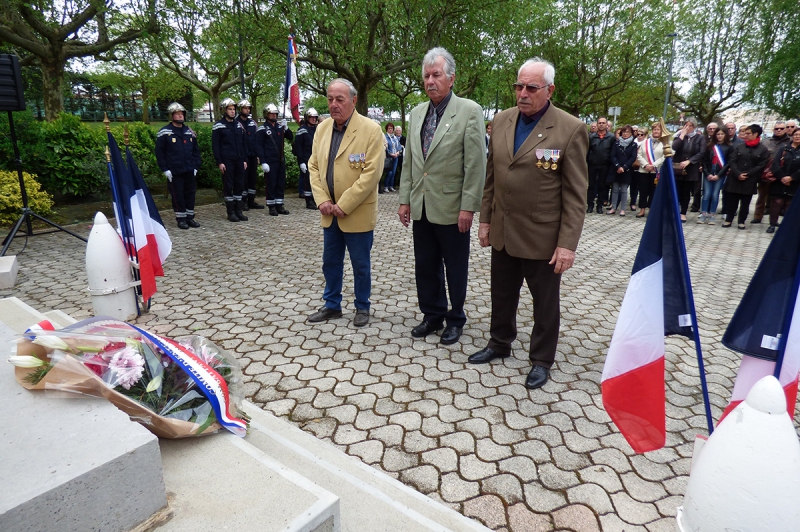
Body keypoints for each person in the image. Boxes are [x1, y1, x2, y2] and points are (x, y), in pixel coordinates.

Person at [468, 58, 588, 390]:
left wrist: (567, 244)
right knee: (502, 294)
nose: (523, 93)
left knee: (544, 304)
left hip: (542, 236)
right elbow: (492, 176)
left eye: (531, 88)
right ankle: (499, 342)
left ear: (549, 90)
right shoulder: (503, 120)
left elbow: (576, 194)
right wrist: (486, 219)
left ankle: (541, 359)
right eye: (518, 86)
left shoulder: (569, 128)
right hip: (504, 230)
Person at [398, 47, 486, 346]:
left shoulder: (469, 111)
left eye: (436, 75)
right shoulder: (416, 112)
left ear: (451, 78)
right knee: (425, 263)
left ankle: (456, 317)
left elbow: (475, 164)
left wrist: (468, 207)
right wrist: (404, 199)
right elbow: (411, 160)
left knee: (455, 265)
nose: (430, 81)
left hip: (451, 207)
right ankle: (432, 314)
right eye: (426, 76)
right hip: (422, 204)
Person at [307, 79, 385, 327]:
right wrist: (322, 200)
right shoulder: (322, 129)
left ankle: (362, 306)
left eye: (339, 99)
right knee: (330, 262)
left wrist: (345, 204)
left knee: (360, 264)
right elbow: (314, 166)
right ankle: (332, 305)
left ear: (353, 100)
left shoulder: (371, 130)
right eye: (330, 99)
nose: (333, 104)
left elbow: (372, 174)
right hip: (329, 212)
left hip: (356, 212)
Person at [156, 102, 202, 229]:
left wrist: (196, 166)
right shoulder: (164, 132)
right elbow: (160, 153)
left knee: (190, 194)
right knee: (178, 195)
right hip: (174, 170)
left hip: (189, 169)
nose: (180, 116)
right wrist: (165, 169)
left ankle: (190, 217)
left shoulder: (189, 131)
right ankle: (181, 219)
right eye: (177, 113)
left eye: (182, 113)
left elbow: (196, 151)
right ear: (171, 115)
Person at [720, 124, 770, 229]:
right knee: (732, 201)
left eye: (748, 133)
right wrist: (738, 173)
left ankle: (741, 221)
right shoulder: (739, 147)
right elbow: (732, 161)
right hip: (735, 178)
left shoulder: (763, 149)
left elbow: (761, 165)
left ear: (756, 134)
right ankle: (728, 220)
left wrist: (748, 174)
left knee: (745, 203)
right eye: (744, 133)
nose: (745, 135)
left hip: (750, 180)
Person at [212, 98, 249, 223]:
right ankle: (231, 212)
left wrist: (244, 159)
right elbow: (216, 146)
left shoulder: (239, 125)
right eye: (230, 109)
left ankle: (239, 211)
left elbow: (243, 144)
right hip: (227, 160)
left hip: (239, 160)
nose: (233, 112)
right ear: (224, 110)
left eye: (234, 109)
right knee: (228, 186)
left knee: (239, 185)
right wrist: (219, 162)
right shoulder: (218, 126)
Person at [256, 103, 294, 216]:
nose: (274, 115)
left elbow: (291, 137)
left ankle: (279, 204)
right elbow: (259, 146)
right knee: (271, 183)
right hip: (269, 160)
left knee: (280, 183)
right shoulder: (262, 129)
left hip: (280, 159)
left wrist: (286, 128)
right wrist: (263, 162)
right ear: (266, 114)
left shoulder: (279, 126)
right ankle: (271, 206)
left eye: (275, 114)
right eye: (271, 113)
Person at [753, 121, 792, 223]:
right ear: (773, 130)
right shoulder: (766, 141)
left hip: (781, 174)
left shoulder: (790, 142)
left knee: (777, 199)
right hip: (766, 173)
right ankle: (757, 216)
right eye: (776, 128)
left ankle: (774, 219)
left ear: (785, 129)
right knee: (762, 196)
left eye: (782, 128)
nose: (779, 130)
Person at [671, 117, 707, 222]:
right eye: (686, 125)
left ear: (694, 127)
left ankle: (683, 213)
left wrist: (689, 161)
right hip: (678, 168)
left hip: (691, 168)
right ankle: (674, 211)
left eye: (690, 125)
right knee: (676, 190)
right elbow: (674, 148)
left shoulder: (699, 138)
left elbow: (701, 152)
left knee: (686, 192)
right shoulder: (679, 136)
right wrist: (681, 135)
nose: (687, 127)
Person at [767, 128, 800, 232]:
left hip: (795, 182)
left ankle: (785, 226)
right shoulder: (784, 148)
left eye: (799, 135)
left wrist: (792, 178)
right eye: (796, 134)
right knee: (777, 202)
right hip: (779, 180)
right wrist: (782, 177)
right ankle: (772, 224)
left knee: (789, 204)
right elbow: (775, 164)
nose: (797, 136)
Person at [699, 128, 732, 225]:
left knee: (715, 195)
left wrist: (719, 175)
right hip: (708, 172)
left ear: (725, 135)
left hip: (719, 174)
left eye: (722, 134)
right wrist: (706, 173)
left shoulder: (729, 147)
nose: (720, 136)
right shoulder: (709, 146)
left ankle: (712, 215)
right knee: (706, 194)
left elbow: (728, 163)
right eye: (718, 134)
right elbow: (704, 161)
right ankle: (704, 213)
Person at [235, 99, 263, 211]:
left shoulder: (252, 123)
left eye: (248, 108)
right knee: (243, 179)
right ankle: (243, 201)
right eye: (245, 108)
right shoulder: (237, 123)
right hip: (242, 156)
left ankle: (251, 200)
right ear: (240, 109)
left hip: (252, 155)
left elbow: (256, 140)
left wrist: (257, 155)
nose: (247, 110)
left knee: (252, 178)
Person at [635, 122, 665, 218]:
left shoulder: (665, 143)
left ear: (661, 131)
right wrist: (645, 165)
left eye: (658, 129)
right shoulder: (645, 142)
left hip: (655, 171)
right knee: (643, 191)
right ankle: (642, 209)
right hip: (644, 170)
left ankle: (651, 210)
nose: (656, 131)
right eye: (654, 129)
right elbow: (639, 155)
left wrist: (653, 165)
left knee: (653, 191)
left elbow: (664, 157)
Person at [586, 116, 615, 214]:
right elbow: (587, 151)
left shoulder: (611, 137)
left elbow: (612, 152)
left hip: (605, 165)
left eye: (603, 123)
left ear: (607, 124)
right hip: (592, 165)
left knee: (602, 186)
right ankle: (590, 205)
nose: (601, 124)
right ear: (597, 124)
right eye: (600, 123)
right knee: (591, 186)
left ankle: (599, 206)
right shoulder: (591, 137)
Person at [607, 125, 637, 216]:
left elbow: (633, 157)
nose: (625, 134)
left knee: (624, 190)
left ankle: (623, 209)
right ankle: (613, 207)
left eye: (627, 132)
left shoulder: (633, 144)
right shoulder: (616, 143)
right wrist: (618, 166)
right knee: (615, 189)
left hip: (626, 170)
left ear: (631, 133)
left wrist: (624, 167)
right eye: (623, 132)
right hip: (616, 169)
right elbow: (612, 155)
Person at [294, 108, 320, 210]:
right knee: (308, 182)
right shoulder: (302, 130)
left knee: (316, 181)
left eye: (315, 118)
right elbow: (298, 147)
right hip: (306, 159)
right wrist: (301, 162)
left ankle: (315, 199)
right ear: (307, 118)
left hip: (316, 159)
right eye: (311, 117)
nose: (313, 119)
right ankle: (308, 201)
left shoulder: (317, 129)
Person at [381, 122, 400, 193]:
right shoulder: (385, 137)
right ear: (386, 129)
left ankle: (391, 186)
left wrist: (397, 152)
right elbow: (386, 147)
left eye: (391, 128)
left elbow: (399, 146)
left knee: (394, 173)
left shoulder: (395, 138)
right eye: (389, 128)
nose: (390, 130)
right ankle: (386, 186)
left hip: (396, 157)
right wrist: (391, 154)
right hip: (389, 157)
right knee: (389, 172)